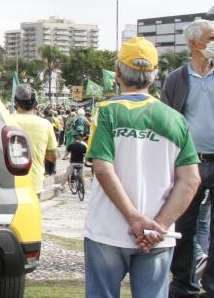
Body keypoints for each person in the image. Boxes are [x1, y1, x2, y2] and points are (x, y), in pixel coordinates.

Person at [84, 37, 200, 298]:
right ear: (155, 74)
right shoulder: (175, 119)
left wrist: (134, 218)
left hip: (108, 231)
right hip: (158, 235)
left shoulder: (105, 111)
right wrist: (158, 225)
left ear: (117, 72)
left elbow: (103, 169)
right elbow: (190, 180)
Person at [162, 19, 214, 296]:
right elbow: (167, 121)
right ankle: (184, 284)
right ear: (193, 43)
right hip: (190, 162)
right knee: (185, 225)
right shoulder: (176, 79)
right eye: (211, 37)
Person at [12, 84, 57, 197]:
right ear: (36, 104)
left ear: (15, 102)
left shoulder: (5, 120)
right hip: (34, 181)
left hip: (9, 181)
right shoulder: (46, 124)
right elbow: (52, 155)